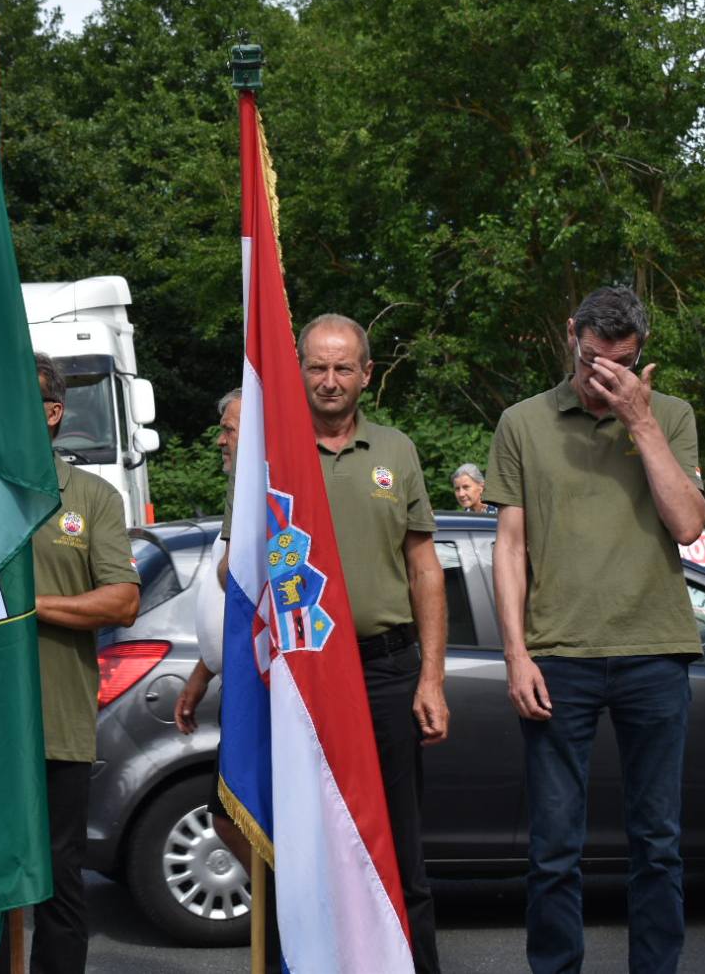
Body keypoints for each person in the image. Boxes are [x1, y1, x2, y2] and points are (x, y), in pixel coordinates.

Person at [486, 286, 705, 974]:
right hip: (559, 657)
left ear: (641, 357)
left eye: (620, 364)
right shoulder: (522, 422)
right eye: (591, 361)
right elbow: (510, 545)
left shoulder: (669, 415)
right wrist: (516, 653)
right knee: (553, 847)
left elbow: (689, 524)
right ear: (571, 334)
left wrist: (640, 423)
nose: (601, 377)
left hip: (655, 650)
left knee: (658, 842)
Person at [0, 352, 141, 973]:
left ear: (52, 414)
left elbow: (123, 599)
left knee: (60, 881)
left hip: (59, 723)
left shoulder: (93, 496)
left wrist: (27, 603)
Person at [298, 313, 448, 974]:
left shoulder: (397, 450)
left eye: (342, 368)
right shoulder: (272, 450)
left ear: (367, 374)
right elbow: (232, 572)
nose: (329, 381)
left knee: (399, 847)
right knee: (311, 851)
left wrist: (432, 678)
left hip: (388, 670)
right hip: (304, 677)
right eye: (316, 367)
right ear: (298, 369)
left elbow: (425, 569)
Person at [174, 388, 251, 867]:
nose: (220, 440)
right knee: (228, 815)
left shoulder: (269, 493)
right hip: (236, 681)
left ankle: (285, 914)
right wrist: (203, 673)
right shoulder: (238, 492)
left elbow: (236, 577)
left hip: (261, 691)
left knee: (234, 814)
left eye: (229, 429)